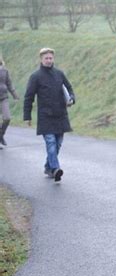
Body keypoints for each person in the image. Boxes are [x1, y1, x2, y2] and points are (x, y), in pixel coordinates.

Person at [24, 47, 75, 182]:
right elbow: (29, 97)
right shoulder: (35, 77)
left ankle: (48, 166)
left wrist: (72, 98)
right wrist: (27, 116)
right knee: (51, 143)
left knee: (58, 144)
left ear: (53, 59)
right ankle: (55, 169)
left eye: (50, 58)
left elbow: (69, 88)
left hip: (61, 115)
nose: (48, 60)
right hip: (45, 116)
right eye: (46, 58)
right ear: (41, 59)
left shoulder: (59, 74)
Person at [0, 58, 20, 148]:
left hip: (3, 97)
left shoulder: (4, 70)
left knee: (7, 118)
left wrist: (15, 95)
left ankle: (1, 134)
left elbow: (9, 83)